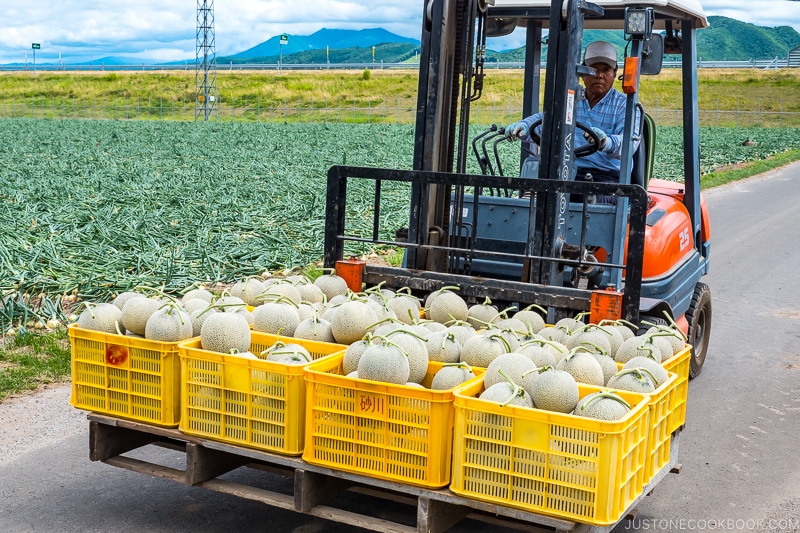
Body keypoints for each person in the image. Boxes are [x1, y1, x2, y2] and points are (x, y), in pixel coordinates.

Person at [505, 40, 639, 204]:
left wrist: (606, 142)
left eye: (606, 70)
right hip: (570, 172)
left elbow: (627, 145)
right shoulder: (571, 101)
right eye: (593, 70)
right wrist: (524, 126)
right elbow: (545, 119)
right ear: (582, 74)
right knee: (535, 193)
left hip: (608, 177)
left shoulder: (624, 106)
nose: (599, 75)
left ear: (615, 73)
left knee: (584, 200)